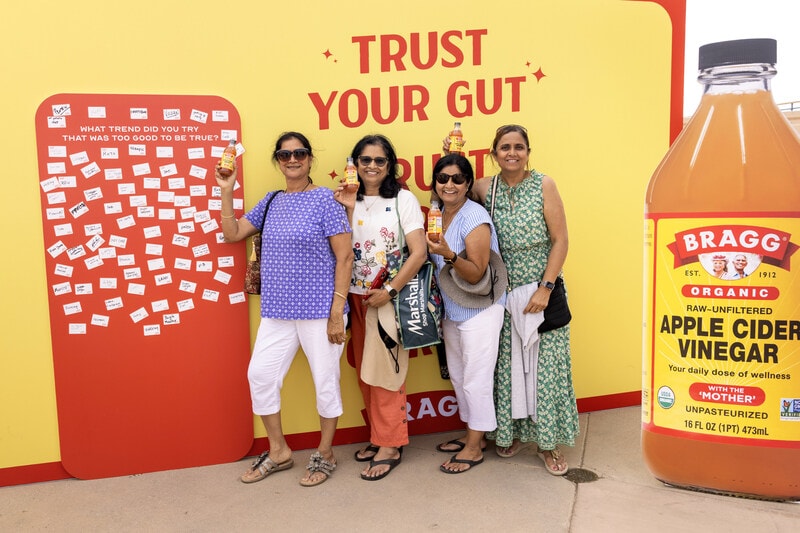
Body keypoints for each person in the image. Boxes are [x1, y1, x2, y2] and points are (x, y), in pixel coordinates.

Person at [216, 131, 354, 487]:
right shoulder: (272, 201)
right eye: (284, 154)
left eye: (300, 153)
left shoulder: (325, 200)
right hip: (278, 311)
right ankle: (278, 451)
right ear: (278, 161)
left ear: (310, 159)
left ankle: (325, 452)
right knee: (260, 376)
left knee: (325, 382)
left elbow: (344, 257)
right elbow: (233, 233)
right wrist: (226, 190)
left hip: (320, 311)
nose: (292, 159)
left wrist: (336, 312)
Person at [445, 124, 578, 475]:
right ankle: (508, 433)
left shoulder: (544, 185)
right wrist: (451, 153)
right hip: (500, 293)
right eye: (505, 147)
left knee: (544, 370)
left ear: (528, 152)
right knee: (507, 369)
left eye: (519, 147)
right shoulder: (484, 188)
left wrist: (545, 288)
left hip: (540, 290)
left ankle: (548, 445)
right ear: (494, 154)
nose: (512, 153)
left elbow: (561, 240)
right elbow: (452, 189)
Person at [333, 134, 427, 481]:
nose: (372, 166)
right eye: (365, 160)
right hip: (353, 296)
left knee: (386, 373)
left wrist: (390, 290)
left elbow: (419, 252)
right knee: (364, 371)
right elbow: (340, 248)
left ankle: (390, 444)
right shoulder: (345, 198)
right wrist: (345, 206)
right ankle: (379, 435)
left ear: (390, 165)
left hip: (388, 298)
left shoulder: (403, 199)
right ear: (355, 163)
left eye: (379, 160)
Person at [427, 154, 506, 474]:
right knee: (459, 376)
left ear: (468, 183)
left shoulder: (475, 216)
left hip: (480, 309)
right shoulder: (438, 212)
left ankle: (474, 448)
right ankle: (473, 435)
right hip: (453, 308)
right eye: (443, 178)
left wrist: (448, 254)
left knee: (476, 379)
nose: (450, 184)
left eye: (458, 179)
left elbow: (476, 273)